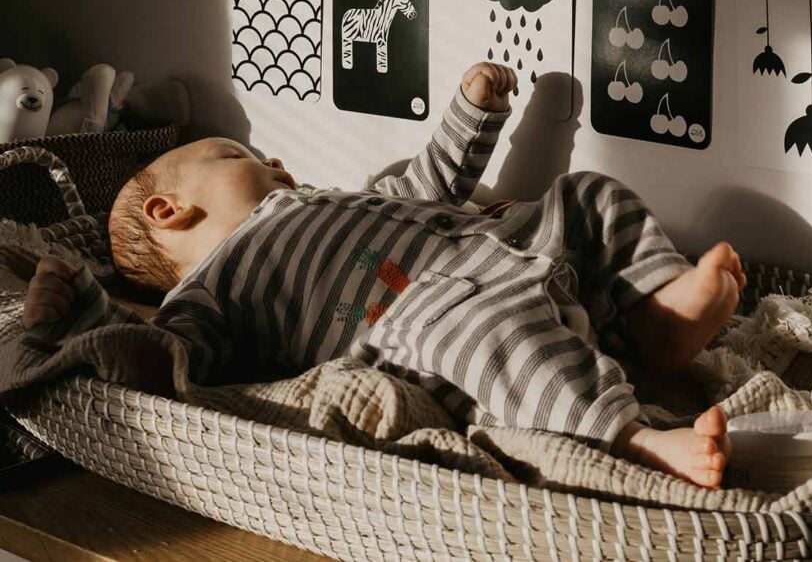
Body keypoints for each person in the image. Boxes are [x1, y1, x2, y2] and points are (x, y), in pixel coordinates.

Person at [23, 62, 746, 488]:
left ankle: (656, 312)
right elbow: (165, 362)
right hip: (435, 314)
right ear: (171, 209)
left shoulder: (331, 198)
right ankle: (637, 441)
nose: (275, 163)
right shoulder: (211, 289)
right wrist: (86, 315)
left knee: (587, 195)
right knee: (501, 341)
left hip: (516, 246)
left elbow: (428, 184)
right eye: (239, 156)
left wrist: (471, 115)